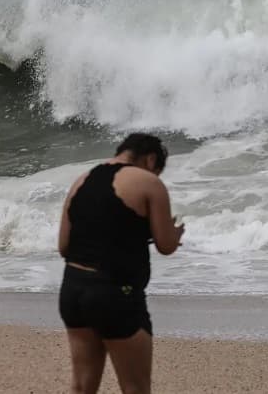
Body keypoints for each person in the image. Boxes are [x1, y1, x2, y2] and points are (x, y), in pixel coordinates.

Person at [58, 133, 184, 394]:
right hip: (114, 294)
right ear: (151, 160)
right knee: (135, 388)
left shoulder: (82, 180)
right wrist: (174, 233)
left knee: (81, 387)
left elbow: (64, 246)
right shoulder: (148, 182)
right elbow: (166, 245)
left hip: (73, 289)